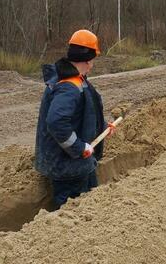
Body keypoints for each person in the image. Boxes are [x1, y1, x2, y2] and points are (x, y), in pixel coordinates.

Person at [35, 29, 111, 209]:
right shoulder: (68, 86)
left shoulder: (73, 77)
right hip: (69, 170)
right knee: (72, 215)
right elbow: (56, 123)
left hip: (79, 165)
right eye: (93, 59)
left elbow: (83, 112)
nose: (92, 65)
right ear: (87, 58)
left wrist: (101, 127)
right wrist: (78, 147)